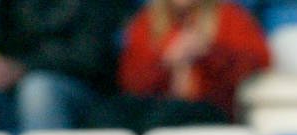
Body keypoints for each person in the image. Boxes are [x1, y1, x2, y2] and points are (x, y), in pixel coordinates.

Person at [116, 0, 271, 127]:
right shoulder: (145, 24)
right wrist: (166, 63)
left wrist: (209, 53)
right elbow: (131, 85)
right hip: (158, 117)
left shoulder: (230, 17)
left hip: (216, 115)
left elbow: (257, 66)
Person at [0, 0, 132, 131]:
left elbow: (88, 57)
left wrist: (22, 67)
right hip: (12, 87)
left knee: (39, 90)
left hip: (86, 89)